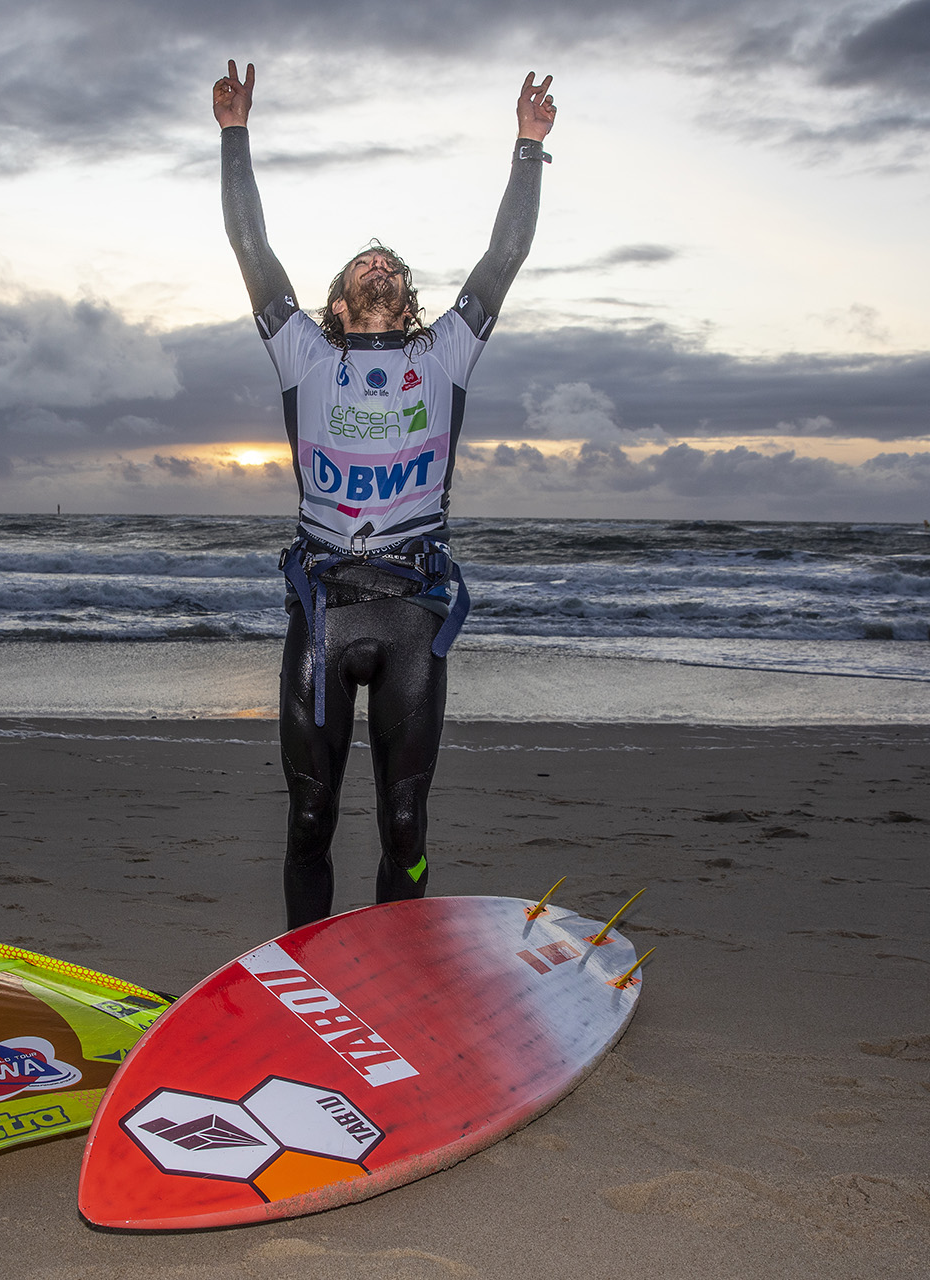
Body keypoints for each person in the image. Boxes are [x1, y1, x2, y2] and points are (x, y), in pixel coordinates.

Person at [215, 61, 555, 929]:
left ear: (406, 300)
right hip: (324, 607)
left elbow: (504, 258)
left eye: (391, 266)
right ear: (336, 303)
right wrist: (234, 134)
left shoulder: (444, 353)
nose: (380, 268)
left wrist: (528, 146)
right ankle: (306, 963)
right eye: (364, 265)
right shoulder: (304, 353)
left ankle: (396, 955)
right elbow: (252, 253)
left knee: (405, 821)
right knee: (309, 816)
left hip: (412, 611)